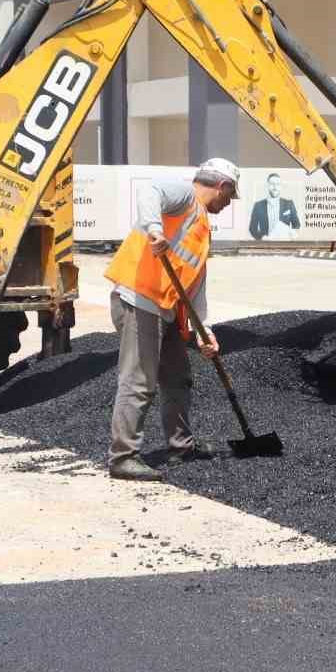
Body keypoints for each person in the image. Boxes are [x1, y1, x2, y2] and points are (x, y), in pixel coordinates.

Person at [104, 159, 239, 481]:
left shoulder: (201, 226)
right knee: (139, 381)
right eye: (230, 195)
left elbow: (195, 283)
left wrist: (204, 331)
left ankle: (181, 446)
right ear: (221, 186)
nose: (229, 202)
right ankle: (123, 457)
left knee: (178, 377)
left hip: (166, 310)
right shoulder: (184, 196)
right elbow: (150, 190)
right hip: (139, 301)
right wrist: (154, 229)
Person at [248, 172, 300, 241]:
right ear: (267, 185)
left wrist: (293, 232)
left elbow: (297, 224)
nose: (275, 187)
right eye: (272, 184)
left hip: (284, 244)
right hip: (265, 245)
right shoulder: (258, 205)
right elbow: (252, 229)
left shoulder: (289, 204)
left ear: (281, 186)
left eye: (277, 184)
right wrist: (262, 238)